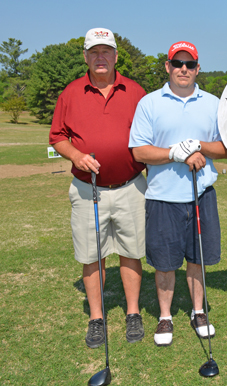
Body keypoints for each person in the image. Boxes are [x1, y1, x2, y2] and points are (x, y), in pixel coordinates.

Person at [49, 28, 147, 349]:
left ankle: (133, 313)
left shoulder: (136, 92)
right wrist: (76, 155)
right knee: (93, 255)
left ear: (117, 56)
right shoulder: (71, 93)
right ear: (86, 57)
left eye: (106, 51)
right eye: (94, 52)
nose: (100, 57)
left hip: (131, 186)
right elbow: (57, 137)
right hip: (86, 188)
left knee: (131, 252)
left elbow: (150, 137)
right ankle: (96, 317)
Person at [129, 41, 227, 347]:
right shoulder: (149, 103)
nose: (183, 69)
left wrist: (197, 145)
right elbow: (139, 150)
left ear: (198, 68)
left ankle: (198, 311)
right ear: (167, 67)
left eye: (189, 64)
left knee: (197, 259)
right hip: (162, 197)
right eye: (177, 63)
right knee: (165, 262)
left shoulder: (213, 103)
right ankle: (165, 316)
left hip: (201, 194)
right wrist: (175, 152)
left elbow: (224, 149)